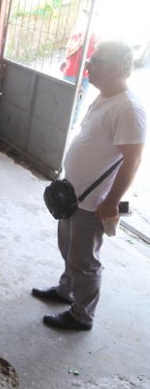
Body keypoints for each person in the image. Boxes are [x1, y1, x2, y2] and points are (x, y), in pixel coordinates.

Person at [33, 41, 146, 331]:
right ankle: (66, 290)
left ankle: (82, 315)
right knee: (68, 248)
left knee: (84, 259)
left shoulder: (129, 109)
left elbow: (132, 160)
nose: (88, 66)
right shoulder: (103, 97)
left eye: (95, 62)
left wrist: (111, 201)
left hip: (94, 200)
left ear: (117, 68)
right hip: (73, 195)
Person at [61, 13, 97, 128]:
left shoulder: (95, 36)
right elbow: (68, 52)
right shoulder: (76, 34)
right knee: (65, 100)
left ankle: (69, 127)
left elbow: (95, 56)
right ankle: (59, 124)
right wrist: (82, 40)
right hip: (70, 73)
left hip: (85, 77)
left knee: (78, 103)